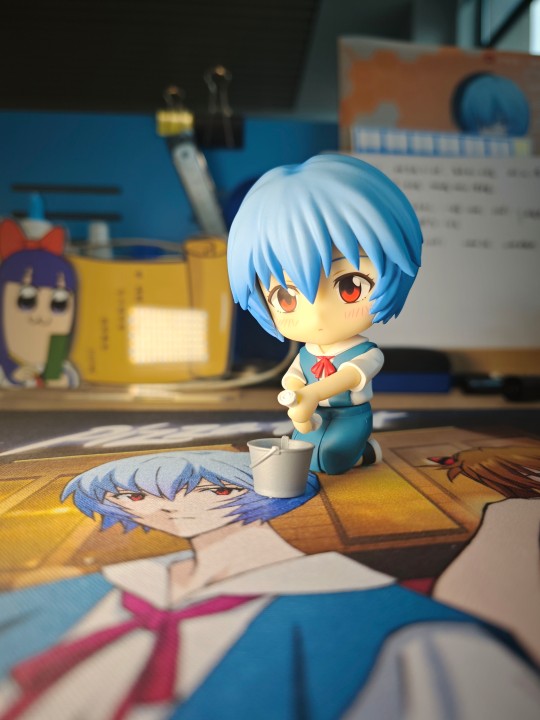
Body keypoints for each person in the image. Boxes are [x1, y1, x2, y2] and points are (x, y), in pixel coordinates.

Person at [1, 450, 539, 720]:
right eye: (134, 498)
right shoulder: (92, 593)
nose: (171, 507)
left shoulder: (398, 630)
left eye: (212, 490)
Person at [227, 154, 422, 473]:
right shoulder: (308, 352)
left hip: (352, 417)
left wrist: (313, 393)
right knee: (300, 456)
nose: (317, 314)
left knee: (330, 461)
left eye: (350, 287)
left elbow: (350, 376)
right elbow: (294, 375)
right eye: (286, 298)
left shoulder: (365, 352)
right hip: (313, 415)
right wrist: (295, 395)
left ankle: (366, 451)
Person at [0, 219, 78, 388]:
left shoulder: (60, 364)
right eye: (26, 300)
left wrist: (63, 380)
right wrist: (13, 375)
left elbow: (71, 377)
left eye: (59, 303)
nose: (41, 316)